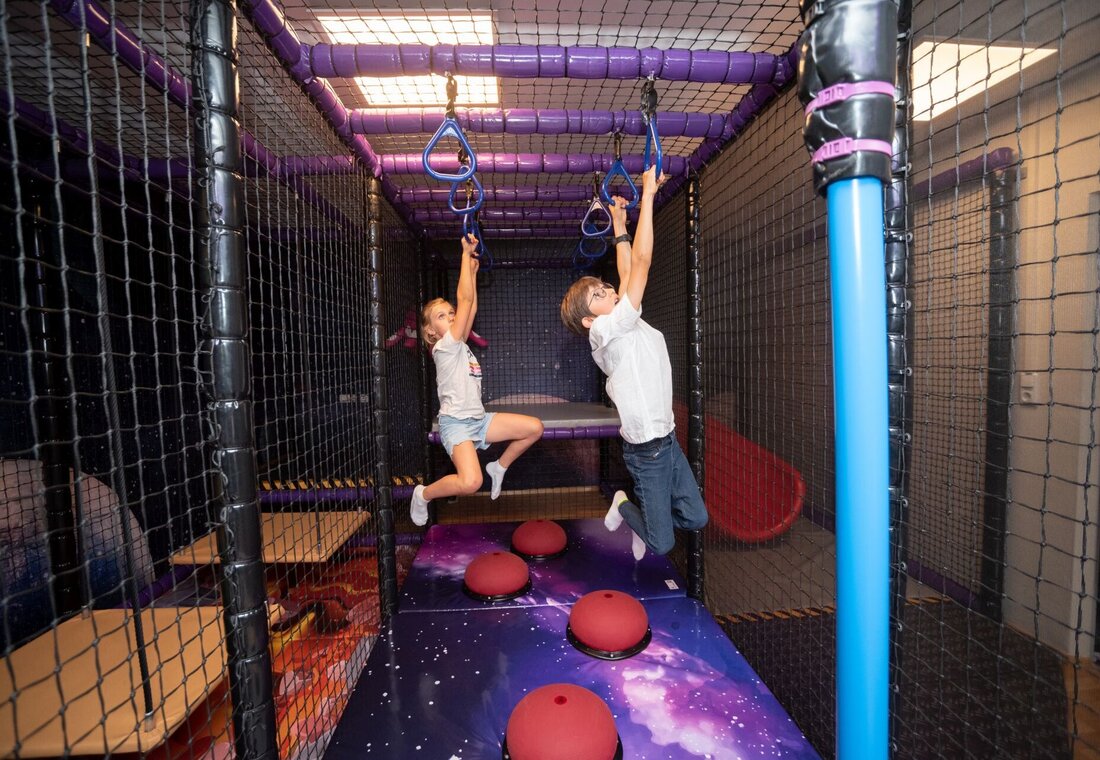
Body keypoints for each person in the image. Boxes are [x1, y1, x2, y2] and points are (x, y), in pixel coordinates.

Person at [558, 167, 708, 559]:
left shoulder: (624, 318)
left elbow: (626, 272)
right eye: (596, 294)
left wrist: (621, 226)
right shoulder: (603, 332)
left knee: (695, 519)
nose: (605, 289)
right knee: (663, 543)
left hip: (669, 440)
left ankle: (645, 517)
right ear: (589, 319)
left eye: (601, 286)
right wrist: (648, 195)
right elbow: (640, 266)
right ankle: (623, 504)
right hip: (646, 452)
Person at [410, 233, 543, 526]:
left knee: (534, 428)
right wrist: (464, 255)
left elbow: (469, 307)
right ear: (431, 332)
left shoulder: (460, 344)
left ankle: (499, 466)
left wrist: (471, 268)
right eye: (442, 316)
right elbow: (465, 300)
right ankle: (424, 494)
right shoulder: (444, 347)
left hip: (479, 419)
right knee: (470, 482)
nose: (451, 316)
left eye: (451, 313)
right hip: (456, 424)